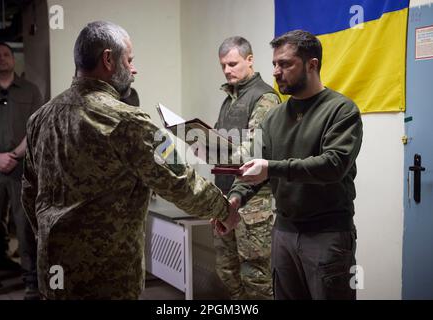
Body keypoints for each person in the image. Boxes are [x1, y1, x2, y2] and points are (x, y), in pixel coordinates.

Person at [21, 21, 239, 300]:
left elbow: (29, 192)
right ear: (108, 59)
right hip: (105, 274)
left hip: (53, 268)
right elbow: (180, 179)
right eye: (129, 60)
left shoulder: (40, 118)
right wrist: (224, 210)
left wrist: (48, 236)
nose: (133, 70)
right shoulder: (128, 120)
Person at [227, 30, 363, 300]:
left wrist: (271, 168)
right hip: (284, 233)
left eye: (286, 64)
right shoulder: (275, 117)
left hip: (328, 236)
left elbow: (333, 165)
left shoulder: (341, 110)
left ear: (312, 65)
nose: (276, 71)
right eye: (275, 64)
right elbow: (254, 167)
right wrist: (234, 199)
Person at [212, 36, 280, 299]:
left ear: (249, 60)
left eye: (233, 63)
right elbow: (223, 146)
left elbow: (254, 149)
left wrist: (212, 153)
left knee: (255, 276)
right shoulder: (229, 99)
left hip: (253, 202)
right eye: (223, 66)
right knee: (227, 270)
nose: (228, 70)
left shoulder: (265, 97)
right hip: (224, 195)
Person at [0, 42, 42, 300]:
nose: (2, 59)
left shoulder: (31, 90)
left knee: (26, 226)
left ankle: (32, 281)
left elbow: (36, 127)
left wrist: (15, 154)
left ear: (14, 60)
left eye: (6, 55)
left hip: (22, 169)